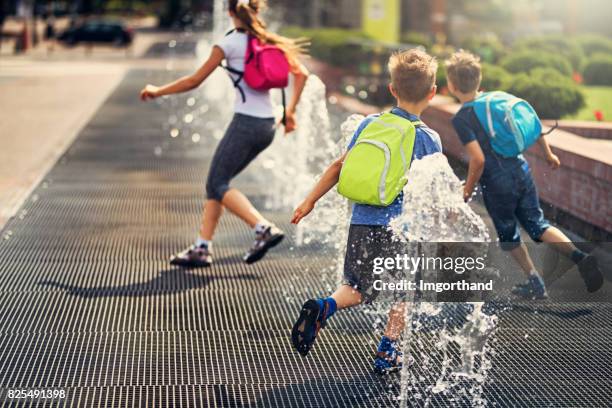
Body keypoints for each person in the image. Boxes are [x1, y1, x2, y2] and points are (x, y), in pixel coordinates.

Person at [290, 49, 443, 374]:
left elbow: (338, 166)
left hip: (362, 221)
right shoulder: (428, 138)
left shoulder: (370, 123)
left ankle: (325, 305)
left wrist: (309, 201)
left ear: (392, 89)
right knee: (406, 288)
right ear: (432, 93)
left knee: (356, 287)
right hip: (401, 228)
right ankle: (388, 351)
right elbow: (432, 193)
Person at [140, 0, 309, 267]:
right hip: (267, 126)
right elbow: (302, 75)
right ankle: (201, 247)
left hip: (245, 124)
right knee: (217, 183)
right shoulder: (269, 41)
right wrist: (289, 113)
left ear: (230, 12)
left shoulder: (228, 44)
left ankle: (262, 228)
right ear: (256, 10)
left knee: (217, 184)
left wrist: (156, 90)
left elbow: (194, 81)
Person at [445, 50, 603, 299]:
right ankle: (579, 256)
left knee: (509, 234)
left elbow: (478, 159)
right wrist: (549, 155)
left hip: (498, 182)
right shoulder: (497, 100)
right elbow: (533, 123)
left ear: (452, 86)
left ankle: (534, 280)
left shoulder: (463, 118)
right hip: (521, 169)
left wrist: (467, 190)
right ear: (479, 78)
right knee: (538, 225)